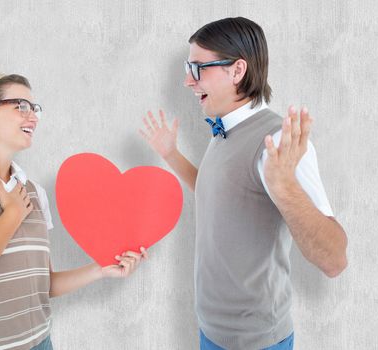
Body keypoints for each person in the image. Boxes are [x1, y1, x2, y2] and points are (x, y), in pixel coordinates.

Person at [139, 17, 348, 350]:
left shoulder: (278, 141)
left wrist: (285, 188)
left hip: (254, 342)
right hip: (211, 330)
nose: (187, 81)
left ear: (237, 71)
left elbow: (334, 260)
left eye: (198, 68)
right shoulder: (225, 129)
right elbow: (221, 193)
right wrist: (171, 155)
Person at [0, 72, 148, 350]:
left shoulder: (34, 192)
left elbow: (42, 285)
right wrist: (11, 217)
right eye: (21, 106)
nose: (33, 117)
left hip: (41, 342)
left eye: (34, 108)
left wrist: (100, 270)